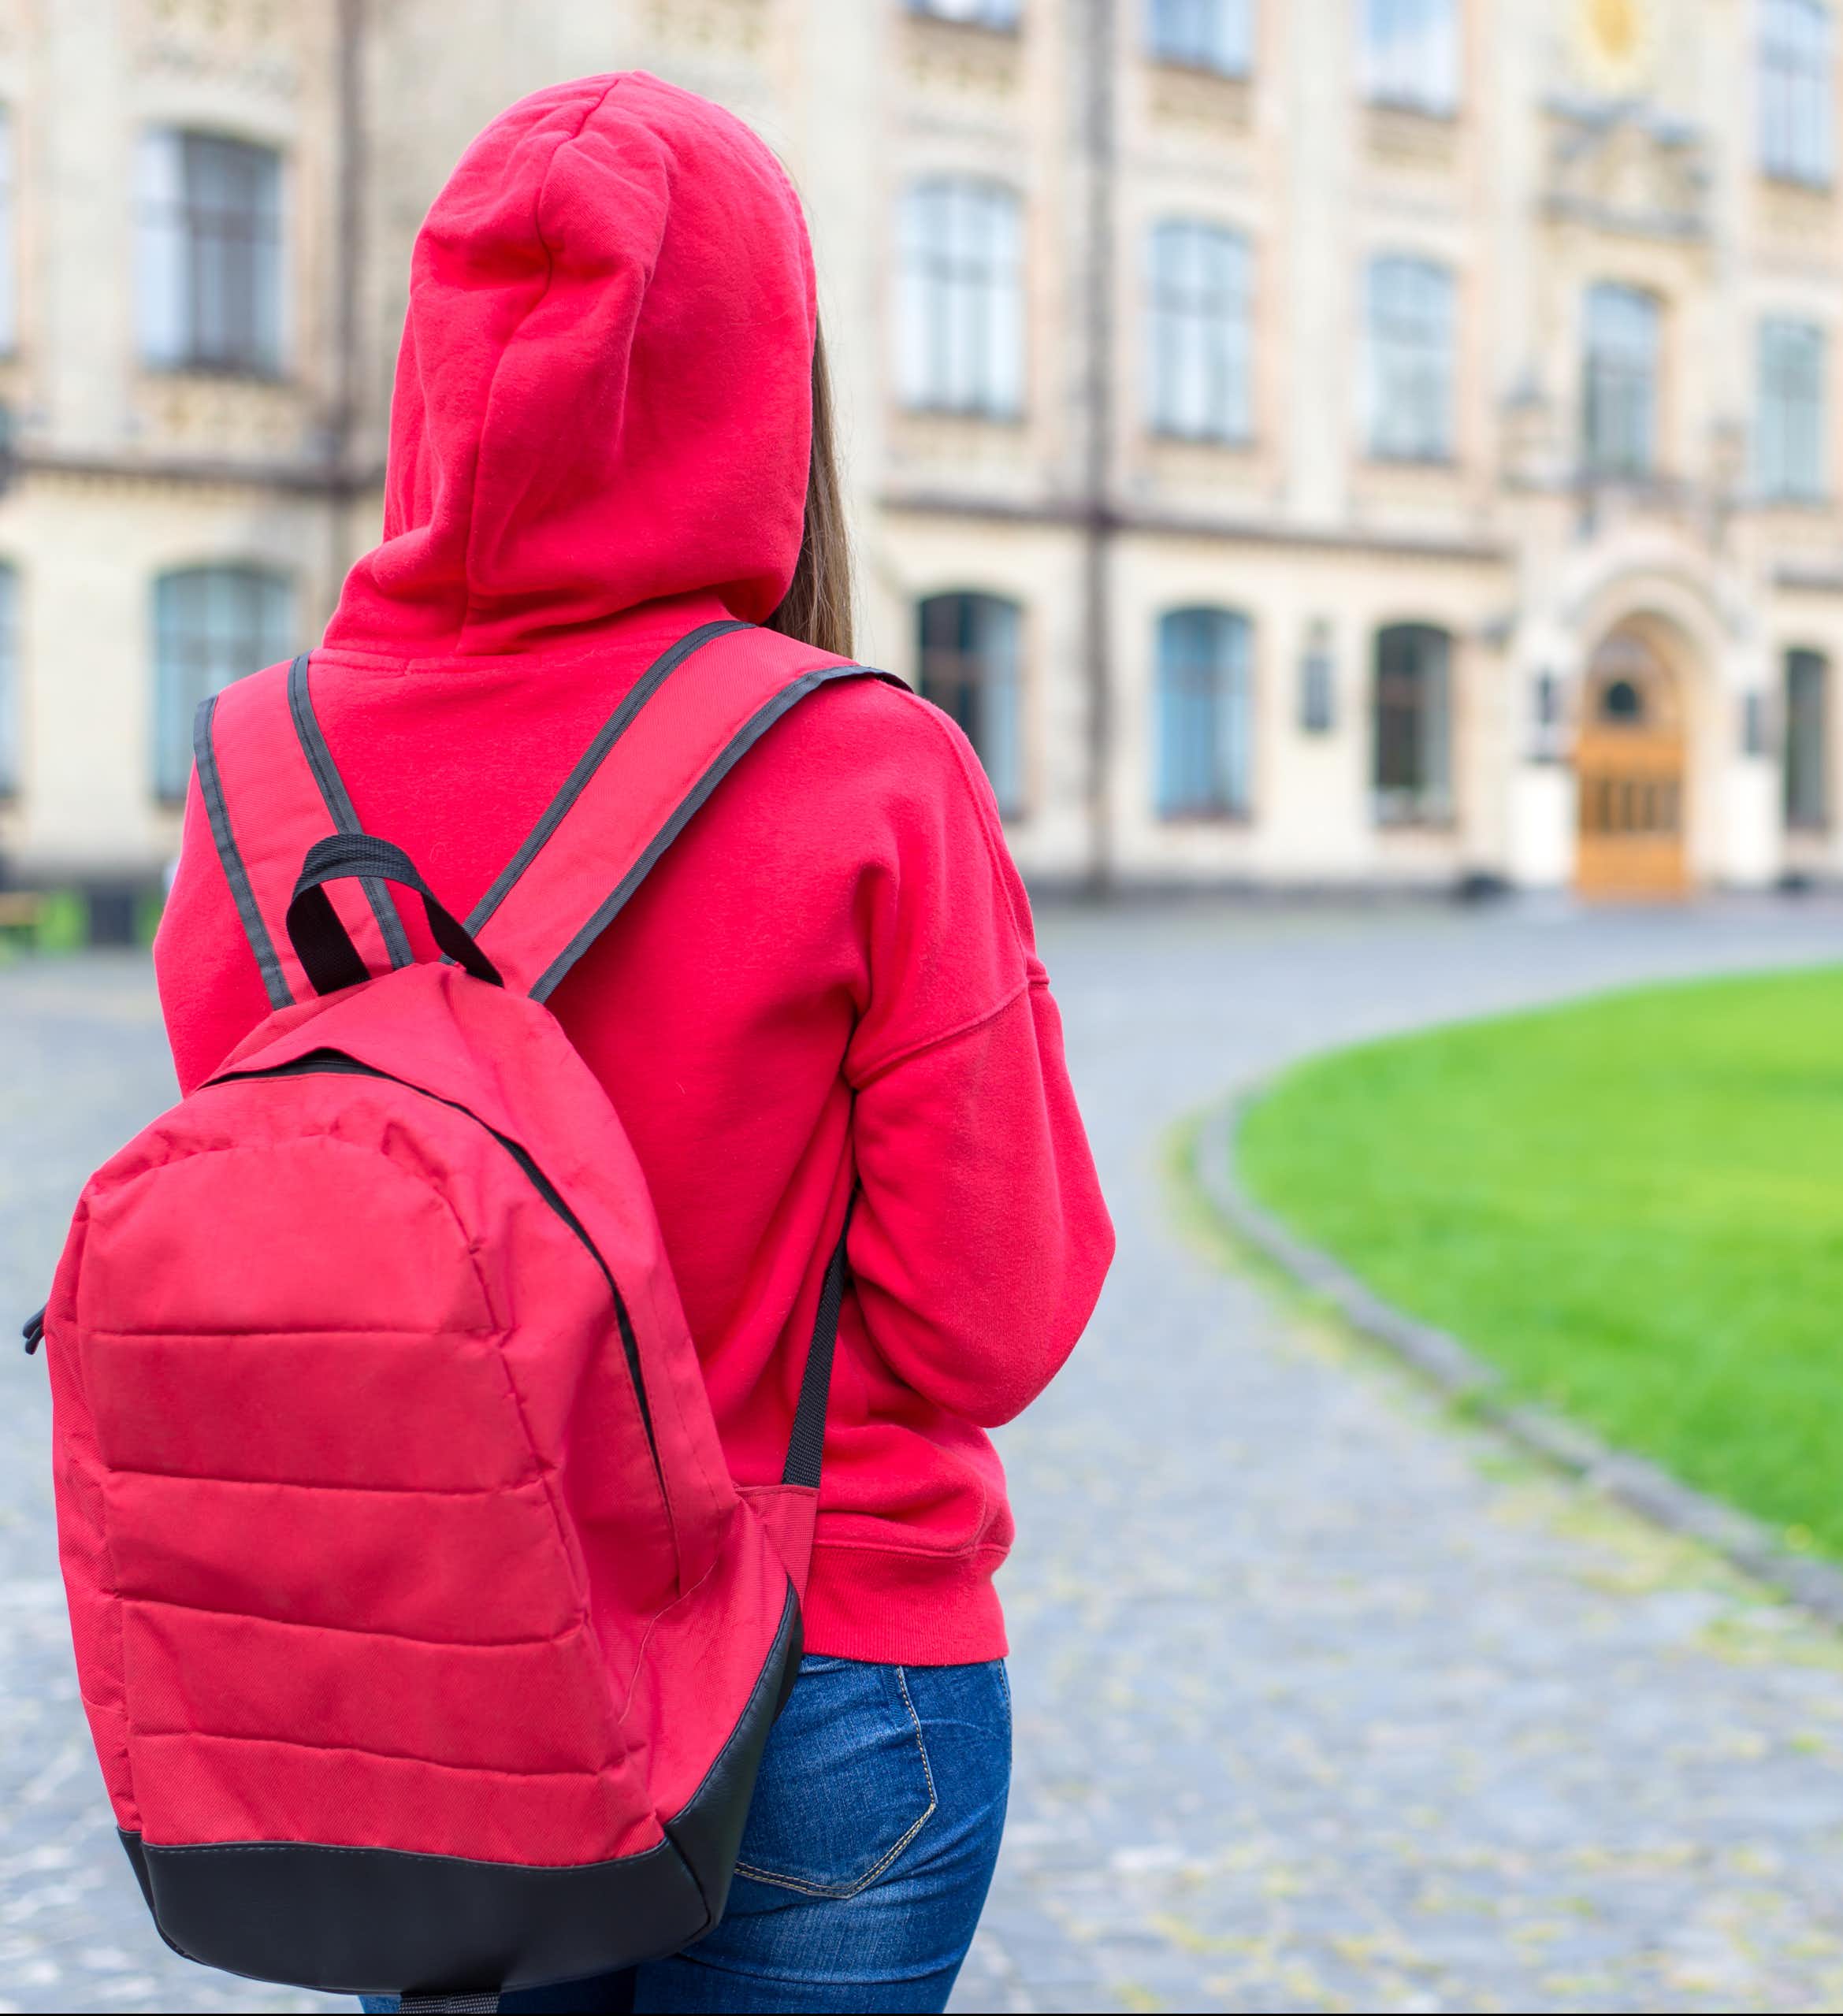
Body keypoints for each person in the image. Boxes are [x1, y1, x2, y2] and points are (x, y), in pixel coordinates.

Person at [151, 72, 1113, 2016]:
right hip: (822, 1675)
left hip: (434, 1682)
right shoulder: (863, 766)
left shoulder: (257, 769)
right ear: (768, 383)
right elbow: (990, 1318)